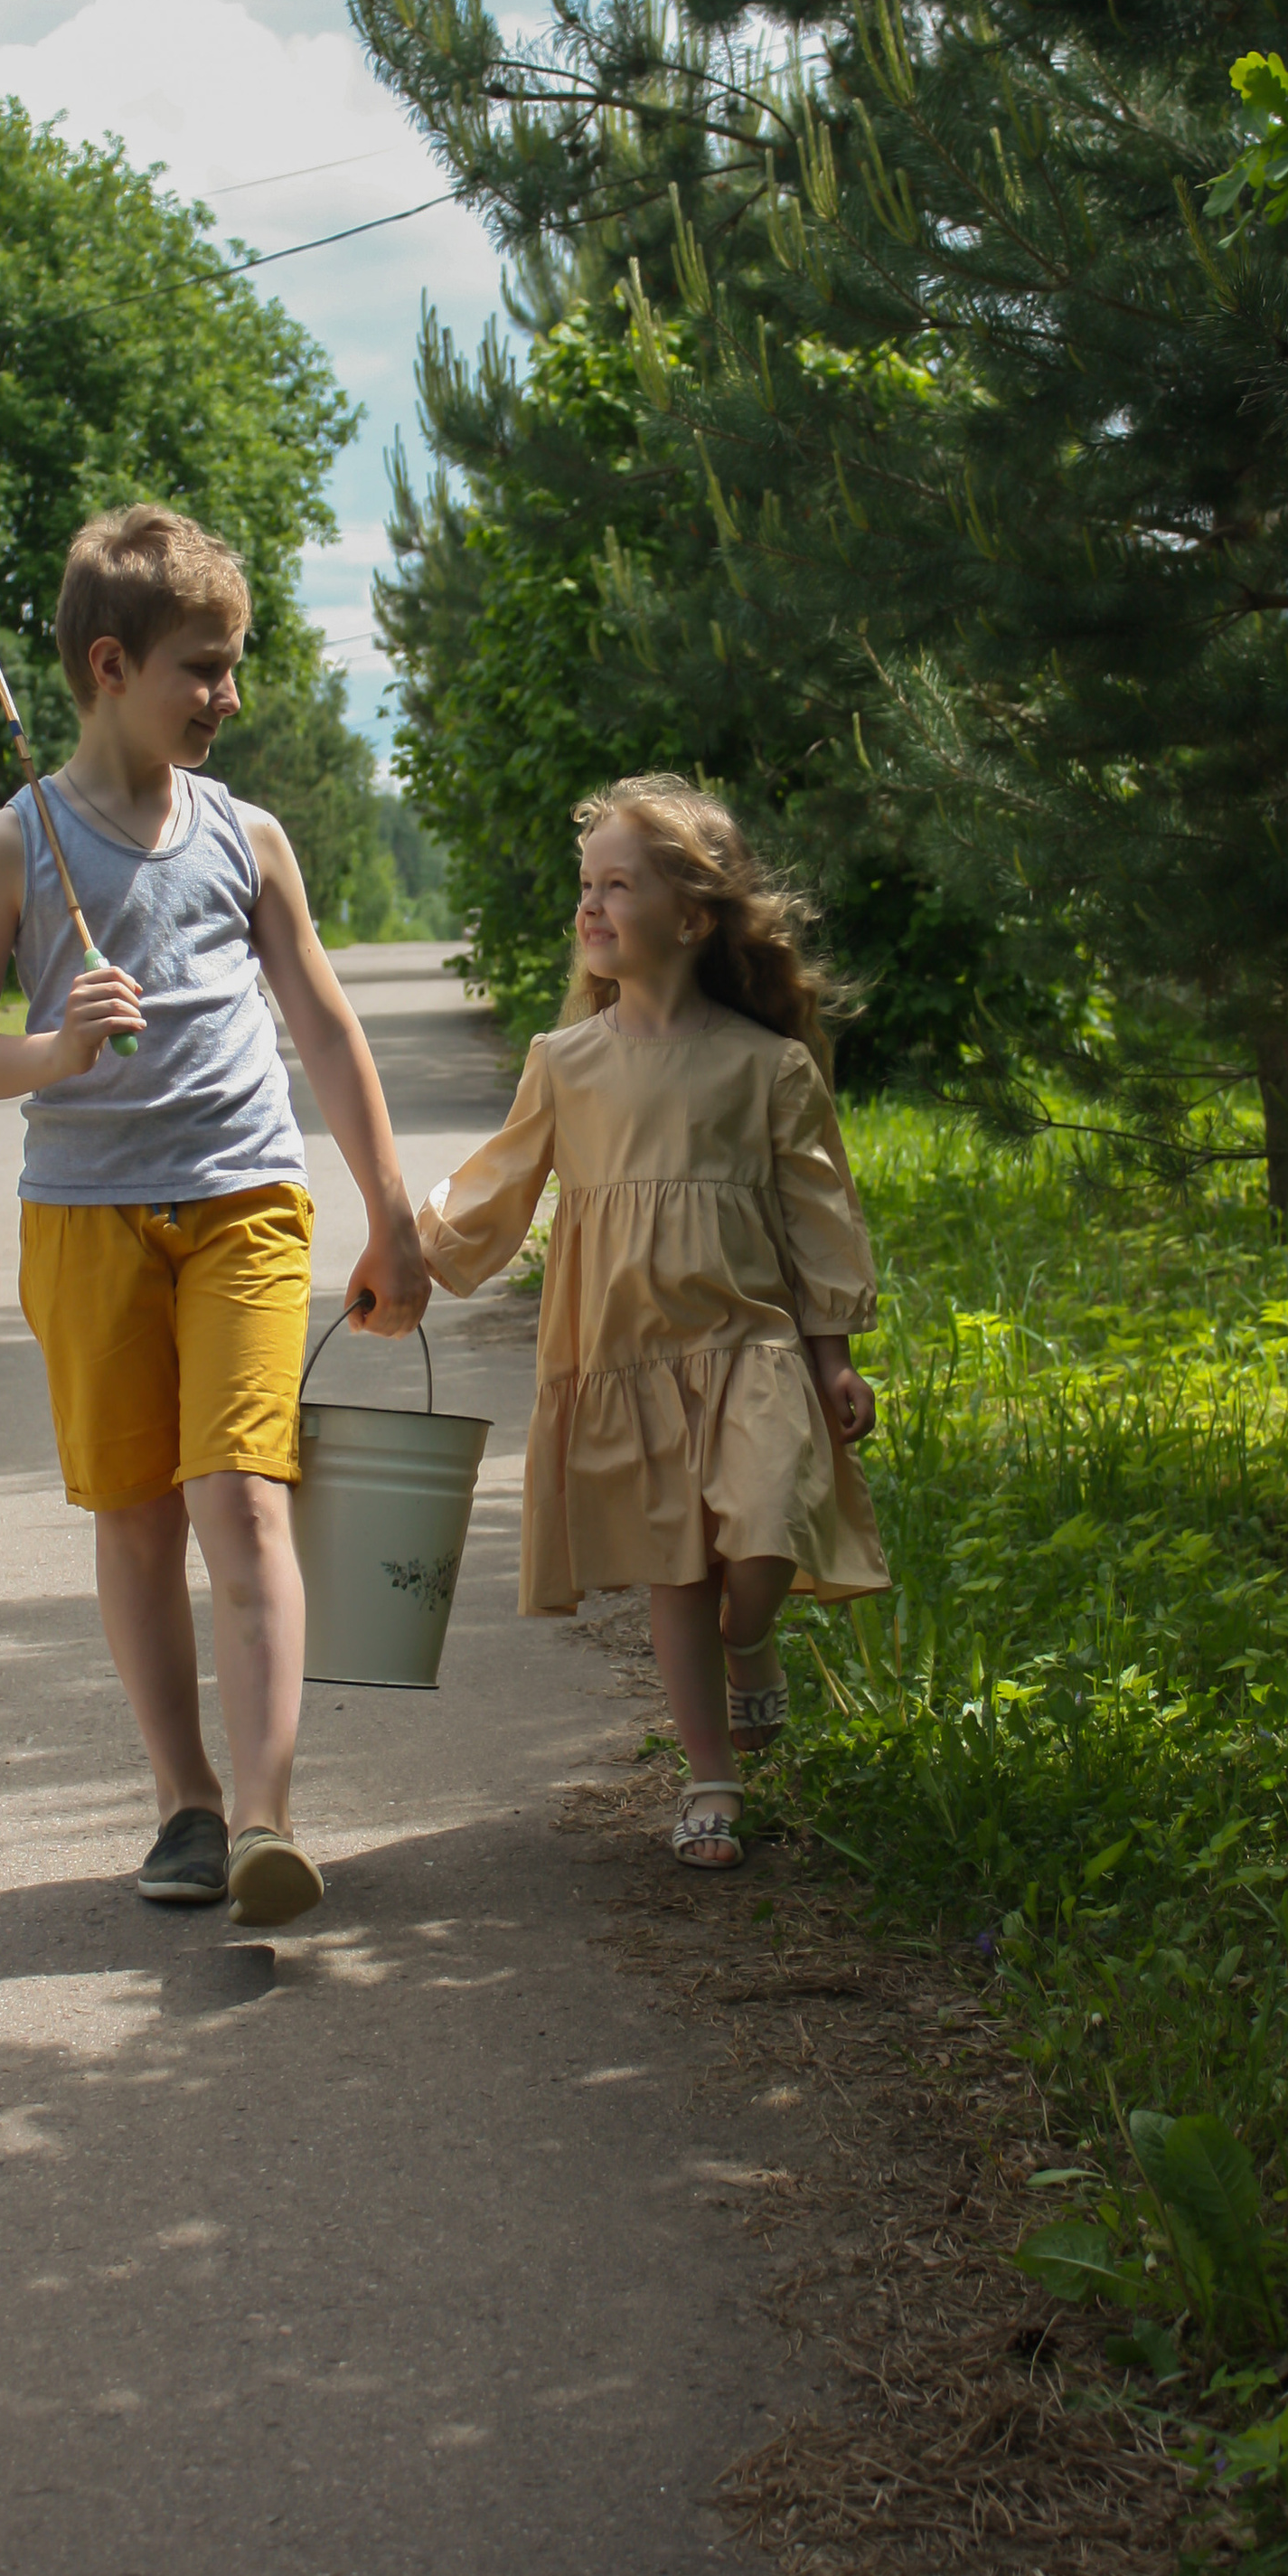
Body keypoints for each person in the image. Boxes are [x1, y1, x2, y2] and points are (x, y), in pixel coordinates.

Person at [0, 503, 429, 1926]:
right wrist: (51, 1055)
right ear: (107, 663)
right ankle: (187, 1804)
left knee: (244, 1497)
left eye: (235, 660)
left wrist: (389, 1214)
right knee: (139, 1517)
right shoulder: (12, 848)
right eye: (202, 666)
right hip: (83, 1220)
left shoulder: (249, 837)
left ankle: (269, 1814)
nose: (229, 693)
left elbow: (323, 1026)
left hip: (246, 1206)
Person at [417, 774, 888, 1872]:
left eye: (616, 885)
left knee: (764, 1532)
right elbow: (496, 1187)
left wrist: (834, 1355)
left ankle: (751, 1638)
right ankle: (711, 1776)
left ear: (690, 916)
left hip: (750, 1346)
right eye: (585, 885)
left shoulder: (764, 1066)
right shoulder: (565, 1063)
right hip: (624, 1354)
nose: (589, 905)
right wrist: (416, 1255)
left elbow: (818, 1217)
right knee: (675, 1565)